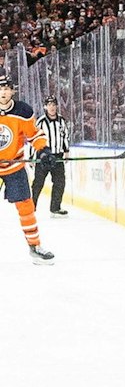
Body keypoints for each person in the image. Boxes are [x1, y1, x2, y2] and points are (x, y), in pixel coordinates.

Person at [0, 76, 54, 263]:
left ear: (12, 90)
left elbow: (34, 135)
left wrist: (43, 150)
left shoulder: (23, 111)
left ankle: (35, 247)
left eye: (7, 88)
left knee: (26, 207)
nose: (3, 92)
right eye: (0, 89)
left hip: (14, 165)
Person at [33, 95, 71, 215]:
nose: (52, 107)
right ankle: (31, 207)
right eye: (49, 105)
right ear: (45, 107)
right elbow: (34, 138)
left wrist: (66, 152)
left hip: (58, 156)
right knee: (38, 183)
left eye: (54, 105)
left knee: (60, 182)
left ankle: (55, 207)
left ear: (57, 106)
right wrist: (33, 157)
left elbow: (65, 136)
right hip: (44, 156)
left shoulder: (61, 120)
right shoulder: (41, 121)